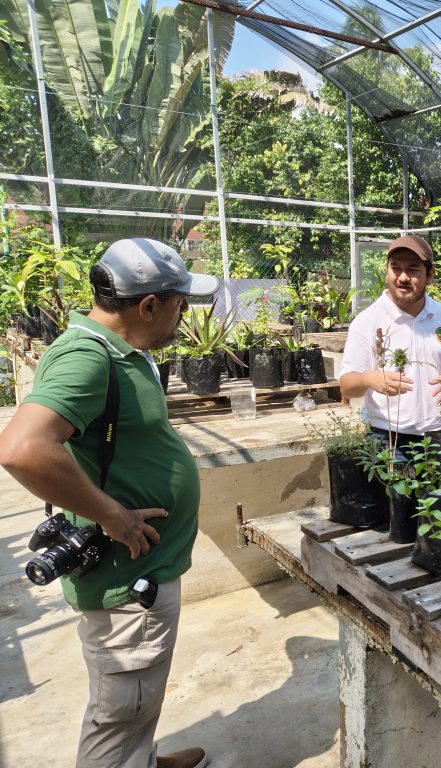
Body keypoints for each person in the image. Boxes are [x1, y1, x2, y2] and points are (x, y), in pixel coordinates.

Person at [0, 239, 218, 768]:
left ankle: (140, 758)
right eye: (180, 303)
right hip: (127, 573)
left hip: (146, 565)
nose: (183, 314)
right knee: (120, 706)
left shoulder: (122, 350)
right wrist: (112, 515)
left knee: (139, 691)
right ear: (149, 305)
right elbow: (22, 448)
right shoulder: (87, 358)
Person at [339, 234, 441, 455]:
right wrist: (368, 379)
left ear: (430, 275)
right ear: (387, 272)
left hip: (438, 432)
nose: (403, 277)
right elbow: (346, 387)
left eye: (413, 269)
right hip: (387, 436)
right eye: (396, 268)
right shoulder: (368, 321)